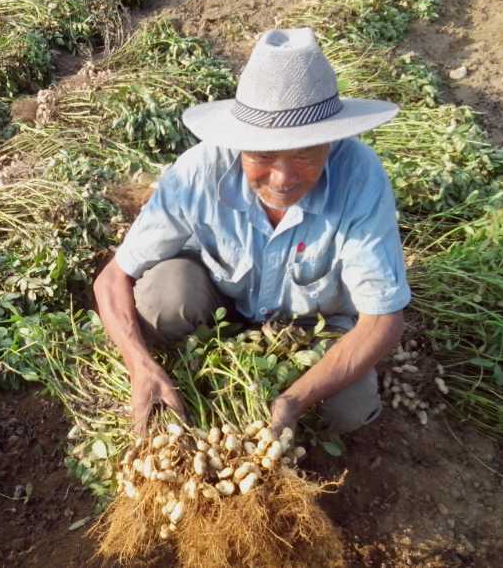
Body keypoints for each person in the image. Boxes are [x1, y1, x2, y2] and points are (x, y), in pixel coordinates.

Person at [93, 27, 409, 437]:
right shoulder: (200, 171)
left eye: (305, 154)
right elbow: (113, 277)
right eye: (262, 155)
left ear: (331, 142)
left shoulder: (360, 176)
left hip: (311, 325)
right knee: (162, 299)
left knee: (348, 408)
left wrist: (295, 399)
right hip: (221, 301)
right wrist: (140, 365)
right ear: (240, 143)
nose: (282, 179)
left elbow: (383, 320)